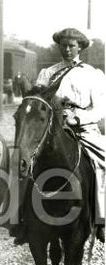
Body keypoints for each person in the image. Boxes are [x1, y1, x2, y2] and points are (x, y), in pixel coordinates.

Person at [19, 27, 106, 242]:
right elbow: (38, 100)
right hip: (51, 127)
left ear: (80, 48)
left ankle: (100, 217)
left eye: (71, 46)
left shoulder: (92, 74)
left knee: (102, 161)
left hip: (83, 127)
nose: (67, 49)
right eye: (63, 46)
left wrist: (77, 119)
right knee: (24, 156)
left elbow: (100, 109)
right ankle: (21, 218)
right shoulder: (48, 73)